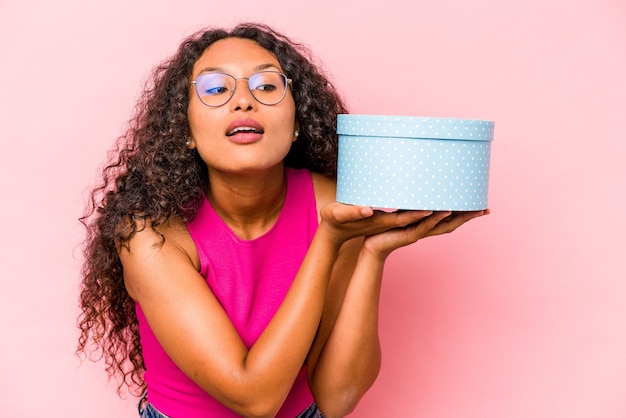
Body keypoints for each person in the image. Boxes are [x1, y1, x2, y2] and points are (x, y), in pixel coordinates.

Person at [77, 22, 488, 418]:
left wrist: (372, 251)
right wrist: (328, 241)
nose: (243, 101)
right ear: (184, 128)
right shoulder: (149, 234)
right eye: (216, 88)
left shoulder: (331, 204)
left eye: (267, 86)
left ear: (296, 124)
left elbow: (336, 397)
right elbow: (255, 400)